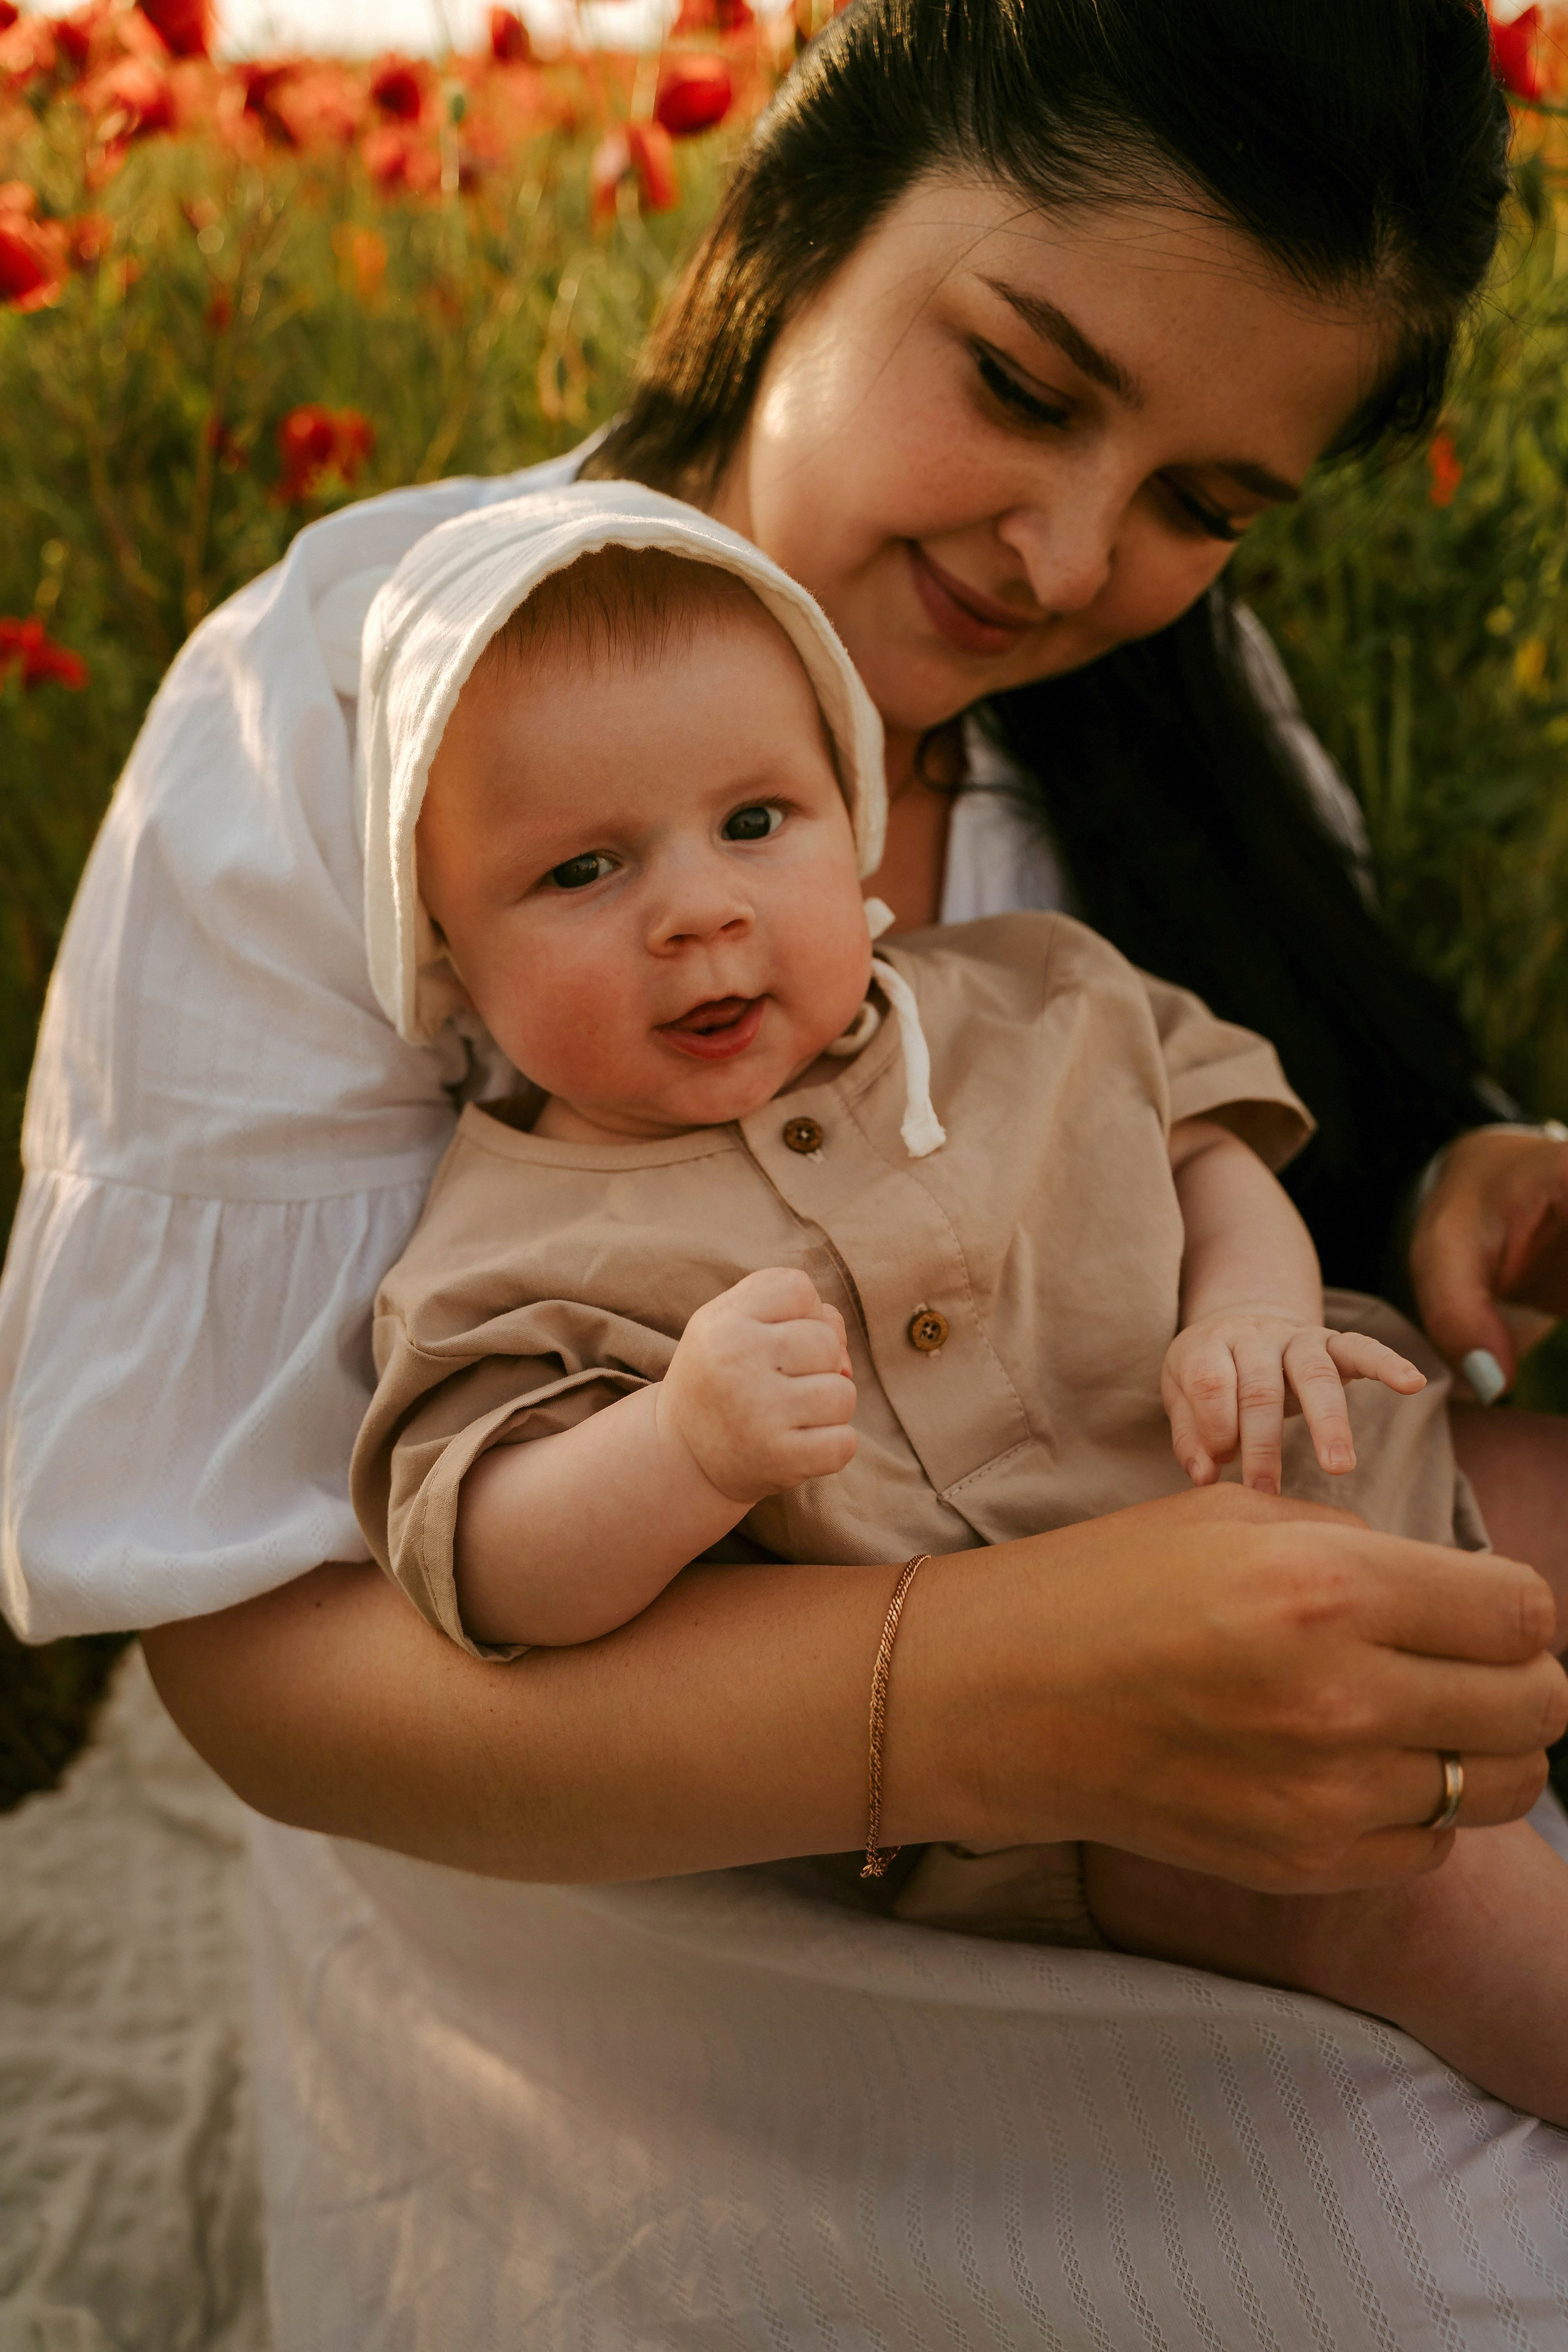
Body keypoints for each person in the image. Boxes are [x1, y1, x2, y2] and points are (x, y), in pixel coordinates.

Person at [7, 0, 1568, 2341]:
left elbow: (1189, 1159)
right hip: (602, 1813)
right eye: (1026, 387)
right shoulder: (361, 708)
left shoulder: (1153, 720)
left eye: (1200, 506)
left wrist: (1446, 1202)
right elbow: (263, 1663)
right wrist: (987, 1685)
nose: (1065, 555)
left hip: (1177, 1596)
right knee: (1436, 2278)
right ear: (803, 220)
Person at [349, 487, 1568, 2126]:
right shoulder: (508, 1248)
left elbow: (1208, 1156)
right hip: (1094, 1778)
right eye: (582, 867)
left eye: (758, 822)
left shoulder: (1033, 995)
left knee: (1548, 1490)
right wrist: (684, 1446)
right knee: (1423, 1897)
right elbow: (492, 1557)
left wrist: (1250, 1310)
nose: (698, 908)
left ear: (852, 823)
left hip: (1349, 1481)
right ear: (447, 950)